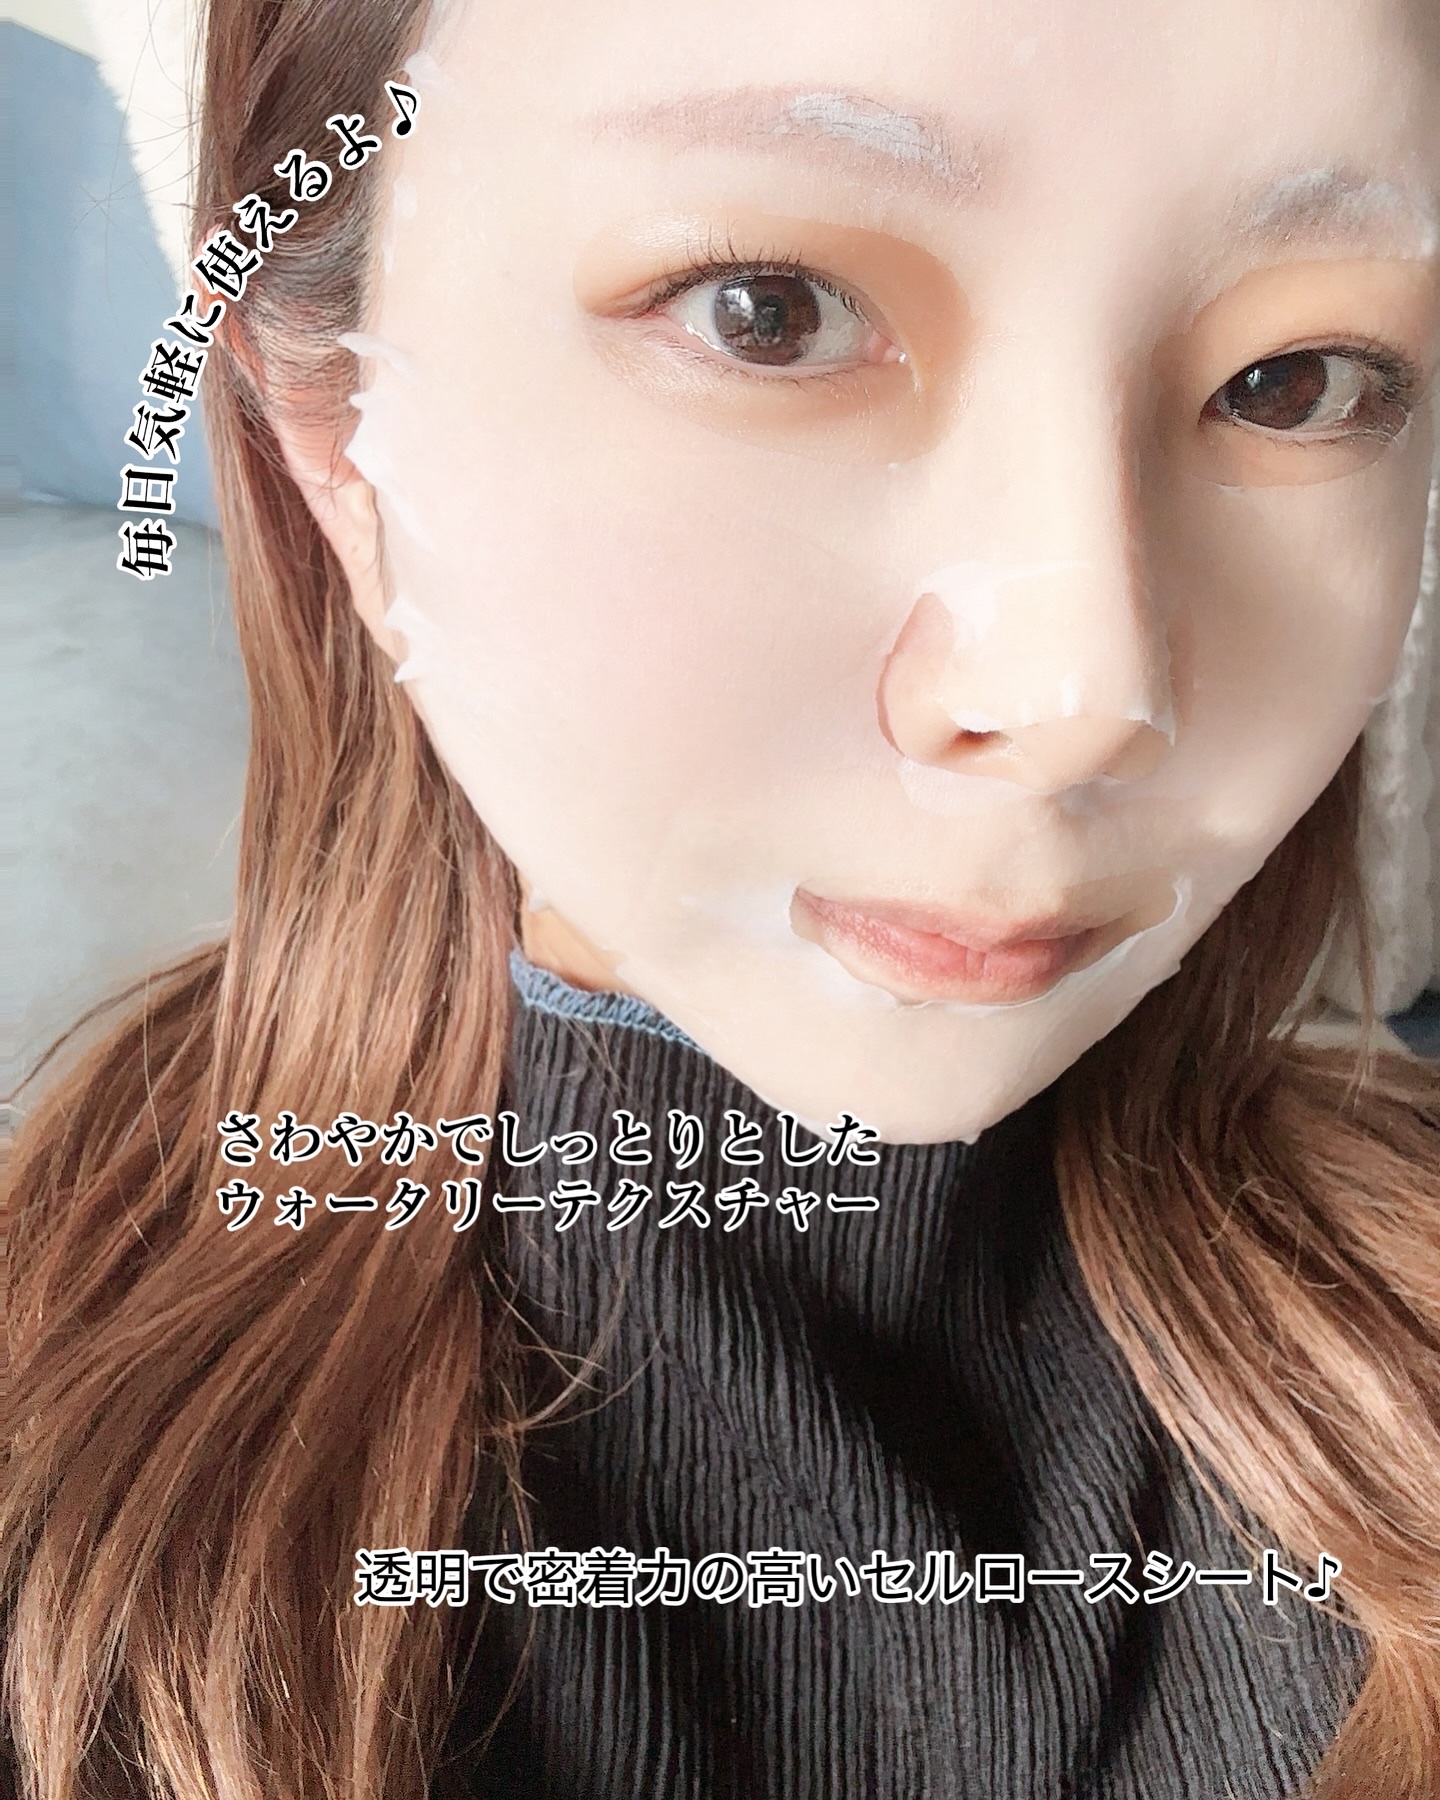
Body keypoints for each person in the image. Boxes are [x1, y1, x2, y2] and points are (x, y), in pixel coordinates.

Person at [5, 0, 1439, 1795]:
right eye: (773, 313)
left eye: (1300, 382)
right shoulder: (62, 1526)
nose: (1086, 691)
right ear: (338, 436)